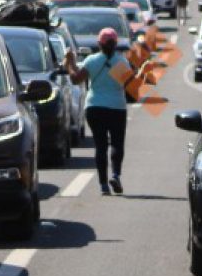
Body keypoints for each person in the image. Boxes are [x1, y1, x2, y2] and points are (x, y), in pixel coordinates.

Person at [64, 28, 152, 195]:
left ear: (99, 44)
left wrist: (69, 63)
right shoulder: (121, 63)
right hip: (116, 108)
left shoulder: (92, 60)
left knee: (101, 146)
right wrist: (142, 72)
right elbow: (132, 87)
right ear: (116, 44)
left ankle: (103, 185)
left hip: (94, 107)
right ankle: (116, 175)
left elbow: (76, 79)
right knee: (117, 144)